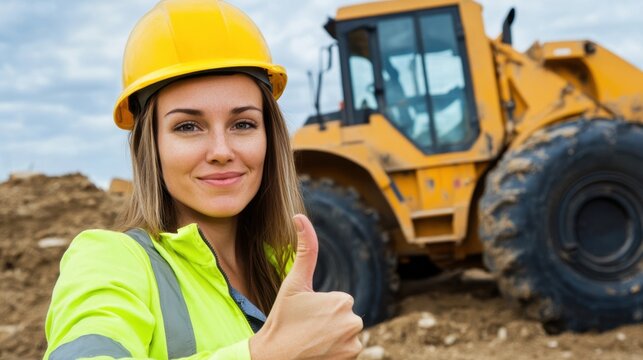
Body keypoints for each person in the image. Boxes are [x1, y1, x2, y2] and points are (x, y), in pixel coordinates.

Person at [43, 0, 363, 359]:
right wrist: (266, 354)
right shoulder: (110, 262)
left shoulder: (280, 267)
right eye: (188, 126)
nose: (221, 150)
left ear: (269, 138)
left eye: (243, 124)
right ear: (152, 147)